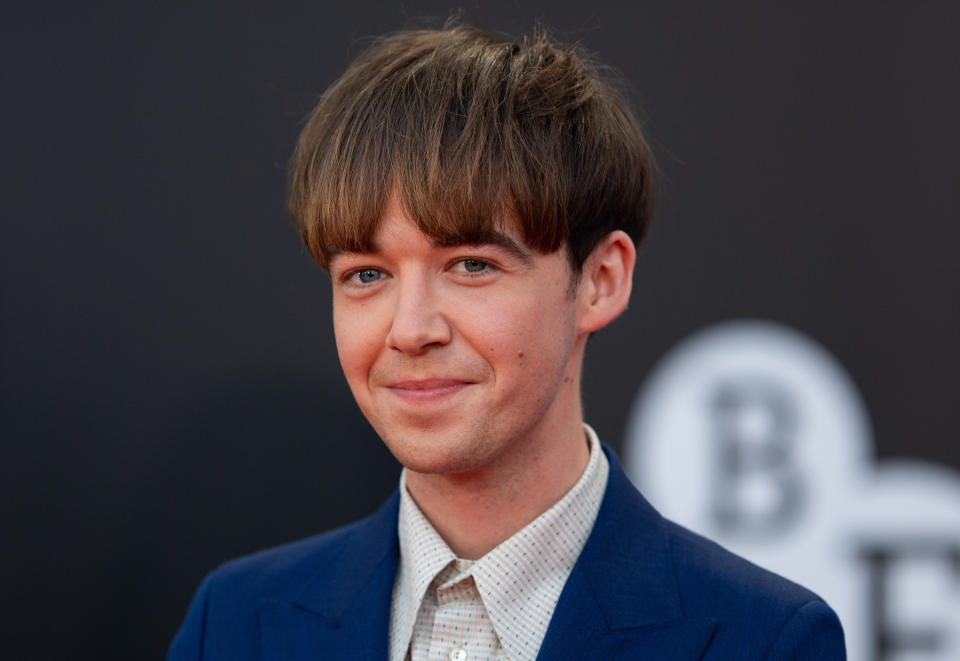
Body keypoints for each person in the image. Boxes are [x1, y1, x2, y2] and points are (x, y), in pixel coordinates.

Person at [168, 23, 845, 660]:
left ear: (600, 280)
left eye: (471, 265)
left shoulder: (760, 641)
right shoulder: (233, 621)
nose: (410, 329)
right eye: (367, 274)